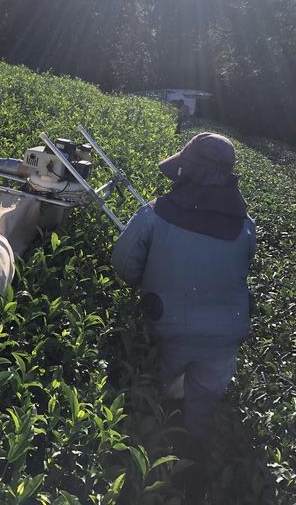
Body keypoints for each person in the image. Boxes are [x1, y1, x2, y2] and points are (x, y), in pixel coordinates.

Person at [111, 133, 256, 455]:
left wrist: (151, 282)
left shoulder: (155, 213)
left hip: (169, 327)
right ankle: (198, 462)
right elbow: (242, 265)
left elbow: (123, 263)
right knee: (202, 403)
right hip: (226, 335)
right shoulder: (246, 224)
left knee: (157, 399)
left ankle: (155, 465)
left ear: (187, 173)